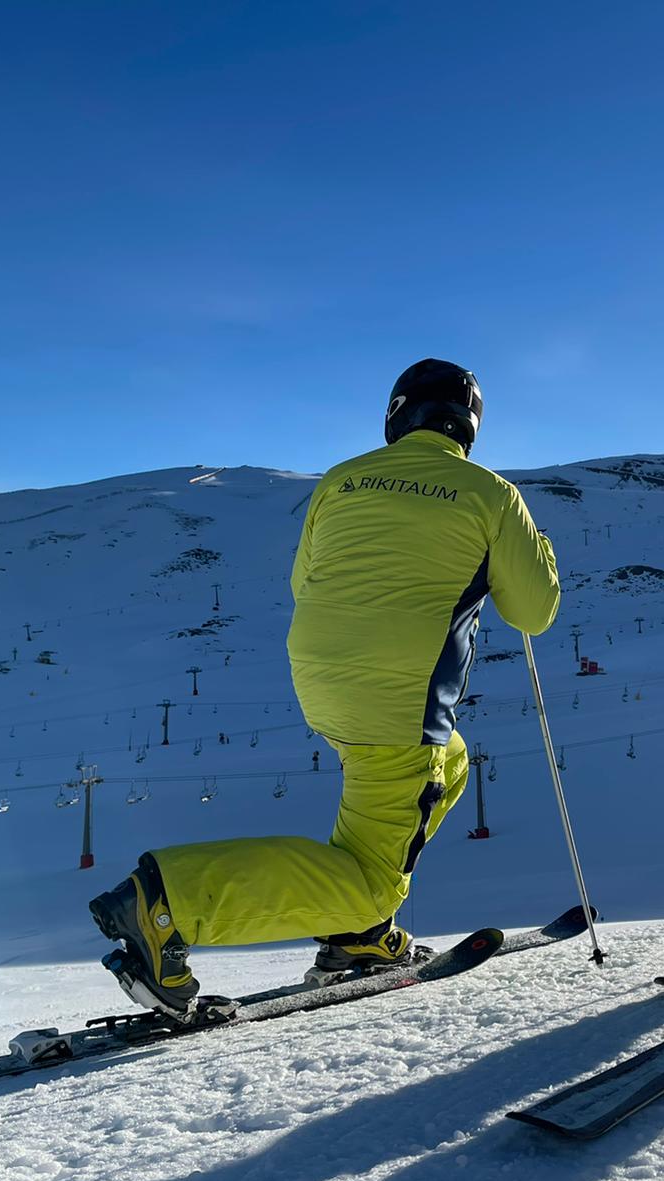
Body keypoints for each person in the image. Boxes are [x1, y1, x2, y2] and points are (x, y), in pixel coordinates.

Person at [89, 359, 560, 1020]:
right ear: (471, 426)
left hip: (324, 681)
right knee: (371, 881)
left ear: (399, 413)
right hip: (401, 703)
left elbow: (304, 581)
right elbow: (533, 612)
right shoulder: (490, 492)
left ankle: (357, 937)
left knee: (447, 762)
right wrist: (536, 548)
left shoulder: (342, 480)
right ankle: (169, 906)